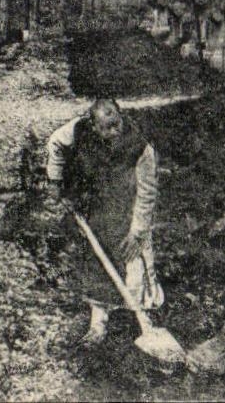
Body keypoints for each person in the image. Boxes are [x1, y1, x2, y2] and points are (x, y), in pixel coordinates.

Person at [45, 97, 163, 345]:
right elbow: (55, 143)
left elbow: (147, 193)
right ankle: (98, 323)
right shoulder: (78, 130)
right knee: (97, 262)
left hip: (128, 211)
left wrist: (138, 231)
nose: (113, 132)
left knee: (134, 261)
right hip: (95, 207)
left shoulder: (140, 148)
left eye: (116, 124)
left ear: (121, 117)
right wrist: (55, 181)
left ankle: (142, 321)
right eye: (105, 128)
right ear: (93, 125)